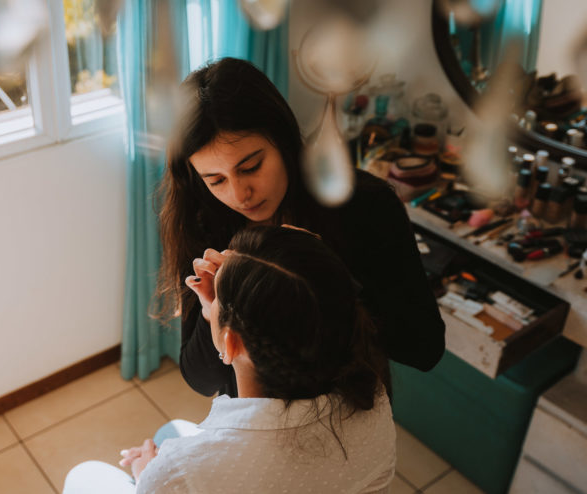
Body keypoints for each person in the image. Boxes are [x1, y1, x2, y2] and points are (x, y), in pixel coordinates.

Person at [158, 57, 445, 397]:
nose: (239, 195)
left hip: (350, 412)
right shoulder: (204, 220)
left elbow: (425, 349)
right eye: (216, 180)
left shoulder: (365, 206)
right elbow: (201, 380)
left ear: (283, 139)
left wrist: (324, 277)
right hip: (258, 427)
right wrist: (213, 313)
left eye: (251, 166)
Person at [63, 226, 396, 493]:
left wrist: (147, 475)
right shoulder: (374, 398)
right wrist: (221, 312)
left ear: (230, 342)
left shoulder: (178, 473)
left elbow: (182, 475)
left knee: (84, 475)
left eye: (217, 298)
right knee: (172, 431)